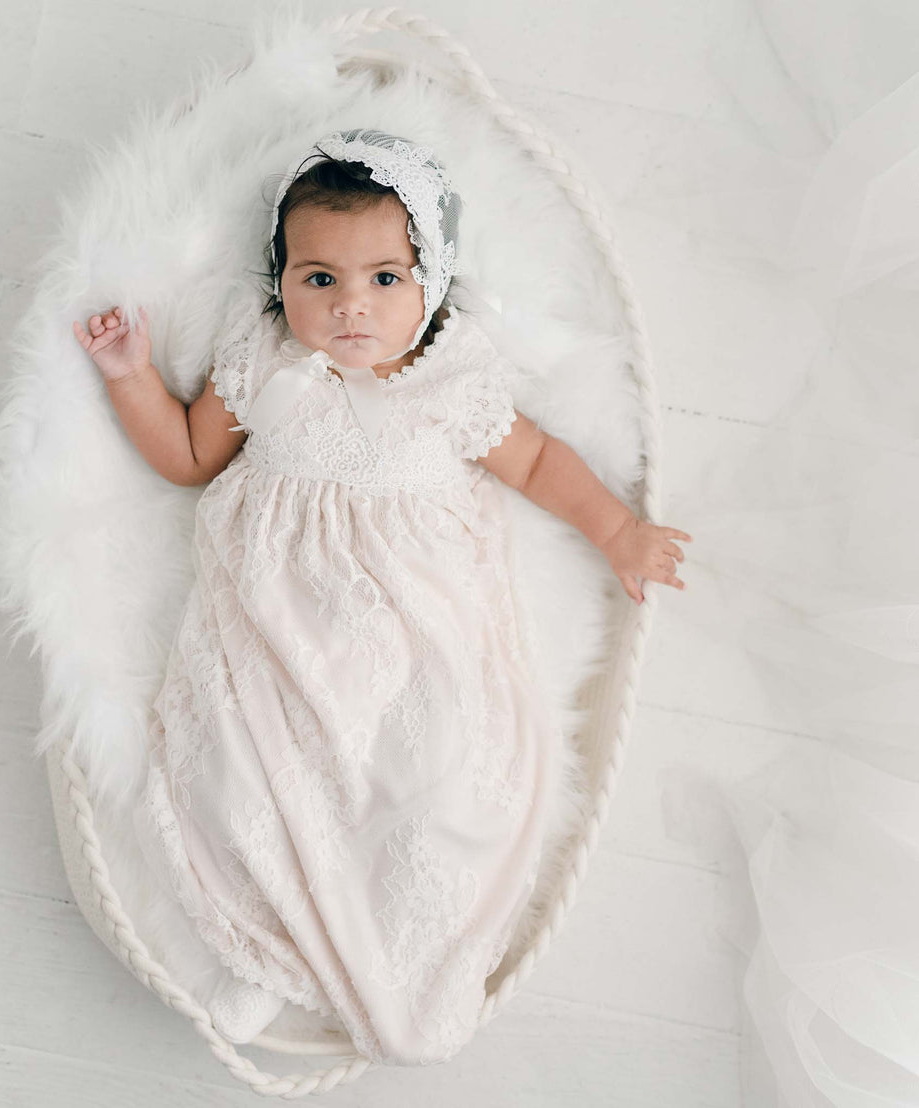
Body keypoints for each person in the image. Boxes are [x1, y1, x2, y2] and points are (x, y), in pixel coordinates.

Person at [72, 129, 692, 1066]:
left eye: (384, 281)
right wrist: (131, 380)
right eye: (319, 279)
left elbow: (534, 460)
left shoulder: (451, 385)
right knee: (244, 777)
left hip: (417, 634)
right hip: (277, 630)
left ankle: (393, 957)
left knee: (438, 778)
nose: (350, 308)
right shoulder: (263, 364)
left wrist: (615, 530)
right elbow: (188, 459)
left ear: (429, 282)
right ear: (280, 281)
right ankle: (278, 954)